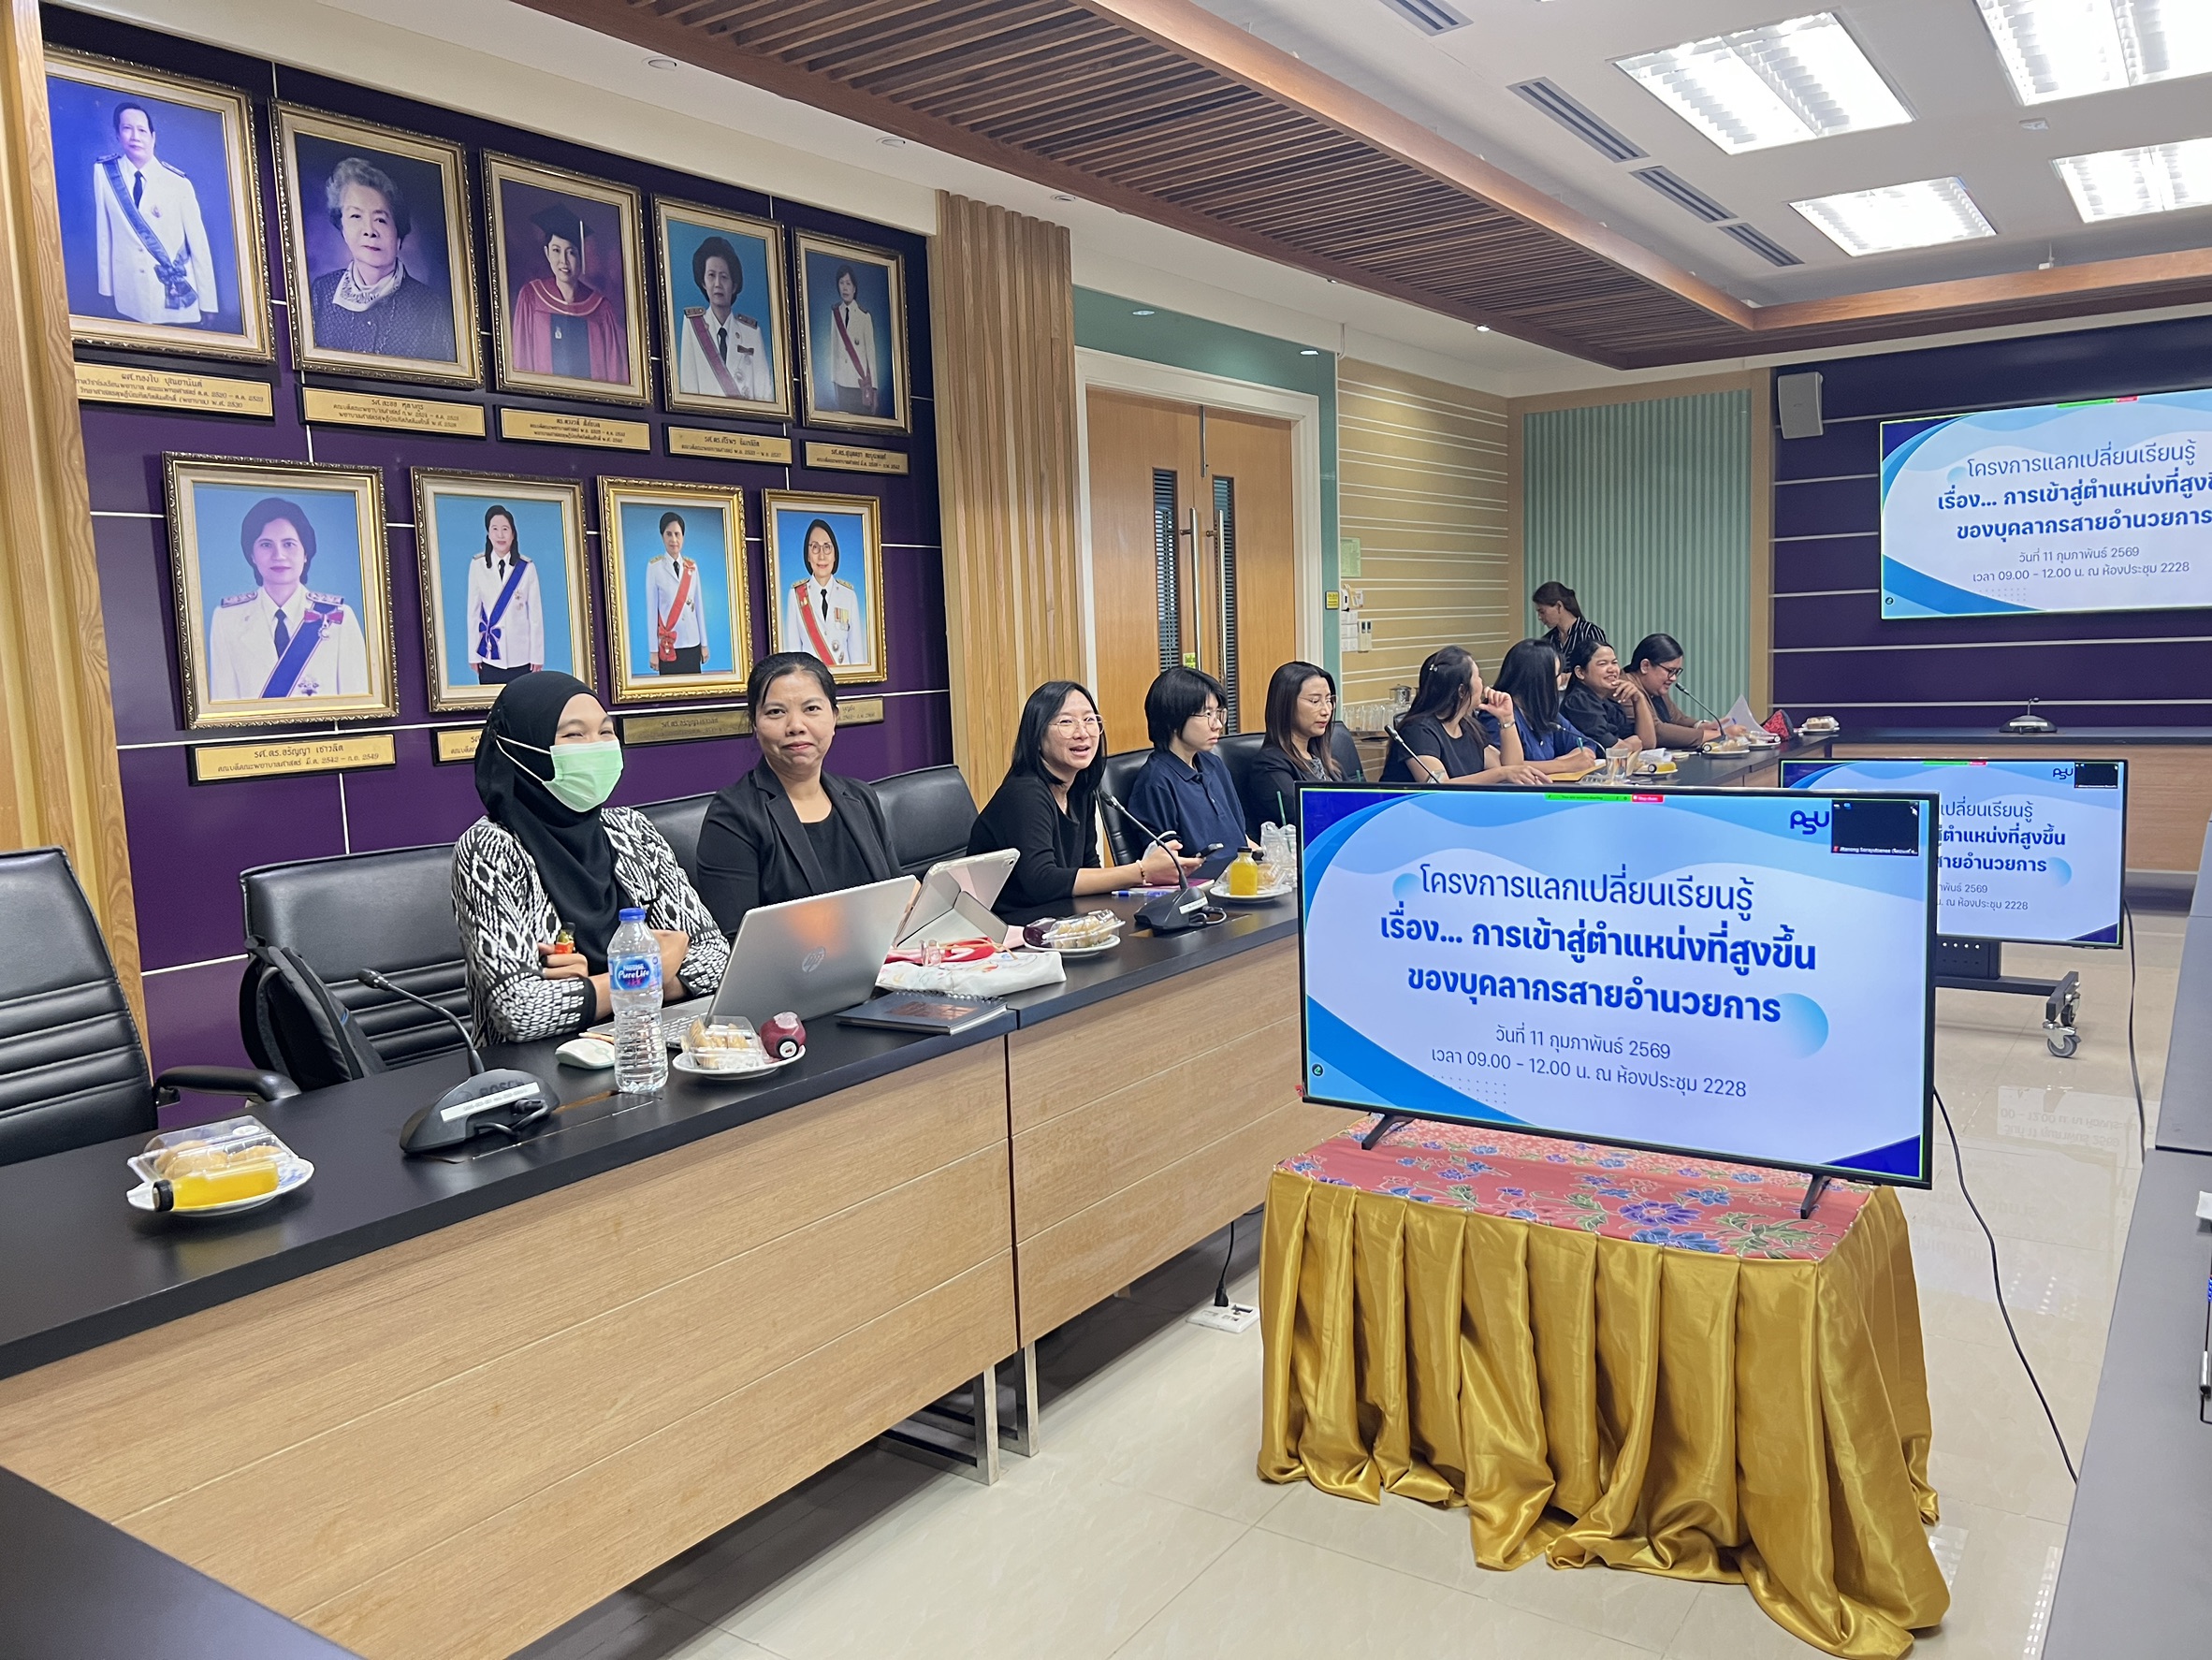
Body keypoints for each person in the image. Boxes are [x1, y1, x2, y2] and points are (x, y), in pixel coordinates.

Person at [450, 671, 727, 1046]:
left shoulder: (631, 830)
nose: (597, 746)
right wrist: (653, 970)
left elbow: (716, 959)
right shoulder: (489, 848)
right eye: (574, 735)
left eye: (606, 731)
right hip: (538, 1066)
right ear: (523, 748)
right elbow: (520, 1011)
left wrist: (600, 984)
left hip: (647, 1046)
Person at [693, 652, 897, 939]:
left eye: (811, 708)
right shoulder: (733, 816)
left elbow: (896, 896)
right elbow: (737, 941)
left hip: (880, 959)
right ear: (755, 723)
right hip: (790, 967)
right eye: (776, 712)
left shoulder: (860, 797)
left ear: (834, 717)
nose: (796, 726)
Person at [968, 680, 1199, 924]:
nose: (1082, 733)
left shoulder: (1079, 787)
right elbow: (1041, 881)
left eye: (1089, 720)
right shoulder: (1024, 792)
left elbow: (1089, 862)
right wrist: (1141, 871)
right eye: (1066, 722)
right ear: (1037, 734)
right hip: (1010, 930)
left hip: (1059, 918)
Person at [205, 496, 370, 702]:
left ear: (306, 553)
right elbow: (224, 704)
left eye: (289, 544)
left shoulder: (339, 616)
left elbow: (357, 704)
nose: (279, 555)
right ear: (252, 555)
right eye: (266, 545)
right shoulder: (227, 619)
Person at [306, 155, 455, 361]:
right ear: (342, 227)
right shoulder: (321, 292)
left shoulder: (431, 307)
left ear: (398, 231)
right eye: (356, 216)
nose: (369, 231)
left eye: (380, 220)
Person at [93, 98, 215, 328]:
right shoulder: (104, 173)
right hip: (128, 296)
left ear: (153, 136)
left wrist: (208, 303)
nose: (135, 137)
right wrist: (106, 291)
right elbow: (104, 235)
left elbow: (198, 245)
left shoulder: (178, 183)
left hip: (172, 295)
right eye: (127, 129)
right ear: (117, 135)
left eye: (142, 130)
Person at [1125, 667, 1249, 859]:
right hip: (1203, 878)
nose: (1217, 725)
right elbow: (1169, 863)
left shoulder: (1213, 764)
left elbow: (1240, 839)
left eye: (1218, 713)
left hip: (1242, 872)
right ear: (1174, 719)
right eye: (1207, 714)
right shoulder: (1156, 782)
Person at [1376, 647, 1546, 786]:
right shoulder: (1418, 731)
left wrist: (1506, 719)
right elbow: (1439, 786)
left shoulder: (1468, 726)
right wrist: (1501, 773)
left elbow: (1511, 768)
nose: (1482, 683)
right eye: (1478, 677)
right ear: (1462, 691)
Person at [1242, 661, 1362, 839]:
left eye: (1329, 700)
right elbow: (1309, 819)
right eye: (1315, 701)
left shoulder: (1326, 760)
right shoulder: (1269, 766)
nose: (1326, 710)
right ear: (1285, 704)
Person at [511, 202, 628, 383]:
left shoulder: (600, 307)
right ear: (547, 253)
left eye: (571, 252)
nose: (563, 261)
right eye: (556, 251)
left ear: (581, 256)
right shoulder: (531, 297)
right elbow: (521, 358)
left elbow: (615, 372)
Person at [675, 234, 771, 401]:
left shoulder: (751, 333)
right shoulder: (692, 326)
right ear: (703, 282)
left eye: (724, 277)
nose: (717, 284)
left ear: (734, 286)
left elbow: (765, 395)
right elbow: (688, 388)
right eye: (711, 275)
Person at [1493, 638, 1606, 773]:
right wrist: (1564, 765)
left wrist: (1574, 759)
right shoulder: (1498, 714)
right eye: (1558, 675)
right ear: (1539, 679)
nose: (1561, 680)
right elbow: (1504, 767)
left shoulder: (1544, 711)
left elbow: (1587, 744)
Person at [464, 504, 542, 686]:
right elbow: (473, 613)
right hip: (490, 655)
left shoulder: (527, 568)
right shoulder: (478, 565)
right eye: (495, 529)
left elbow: (535, 616)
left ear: (513, 534)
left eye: (505, 529)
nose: (500, 535)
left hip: (522, 657)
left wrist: (537, 656)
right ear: (488, 534)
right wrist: (473, 655)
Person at [782, 517, 863, 666]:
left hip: (844, 678)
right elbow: (793, 655)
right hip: (811, 679)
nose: (821, 555)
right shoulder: (795, 595)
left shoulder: (849, 595)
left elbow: (857, 652)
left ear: (835, 554)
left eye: (827, 547)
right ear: (807, 555)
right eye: (815, 547)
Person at [1625, 633, 1724, 749]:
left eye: (1676, 672)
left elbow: (1677, 719)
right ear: (1645, 666)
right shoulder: (1626, 689)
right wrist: (1718, 735)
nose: (1673, 678)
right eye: (1670, 671)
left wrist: (1701, 726)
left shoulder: (1654, 687)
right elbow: (1657, 731)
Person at [1561, 638, 1657, 751]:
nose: (1612, 669)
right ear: (1580, 672)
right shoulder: (1579, 700)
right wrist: (1630, 746)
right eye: (1602, 664)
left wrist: (1638, 699)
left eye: (1614, 663)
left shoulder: (1608, 701)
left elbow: (1647, 744)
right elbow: (1612, 749)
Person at [644, 512, 710, 675]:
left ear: (683, 537)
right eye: (669, 534)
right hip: (669, 644)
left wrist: (704, 644)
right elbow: (652, 612)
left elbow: (699, 608)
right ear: (662, 536)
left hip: (692, 641)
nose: (673, 539)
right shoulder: (654, 568)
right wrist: (653, 651)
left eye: (677, 534)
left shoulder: (692, 567)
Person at [822, 263, 880, 415]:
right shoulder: (835, 313)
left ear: (854, 288)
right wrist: (834, 379)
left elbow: (871, 355)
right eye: (841, 283)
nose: (845, 288)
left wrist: (874, 389)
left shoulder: (864, 316)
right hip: (841, 382)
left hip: (858, 383)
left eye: (848, 283)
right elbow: (834, 348)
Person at [1532, 581, 1607, 666]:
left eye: (1542, 612)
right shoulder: (1548, 640)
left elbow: (1601, 667)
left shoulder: (1590, 632)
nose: (1539, 617)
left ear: (1559, 606)